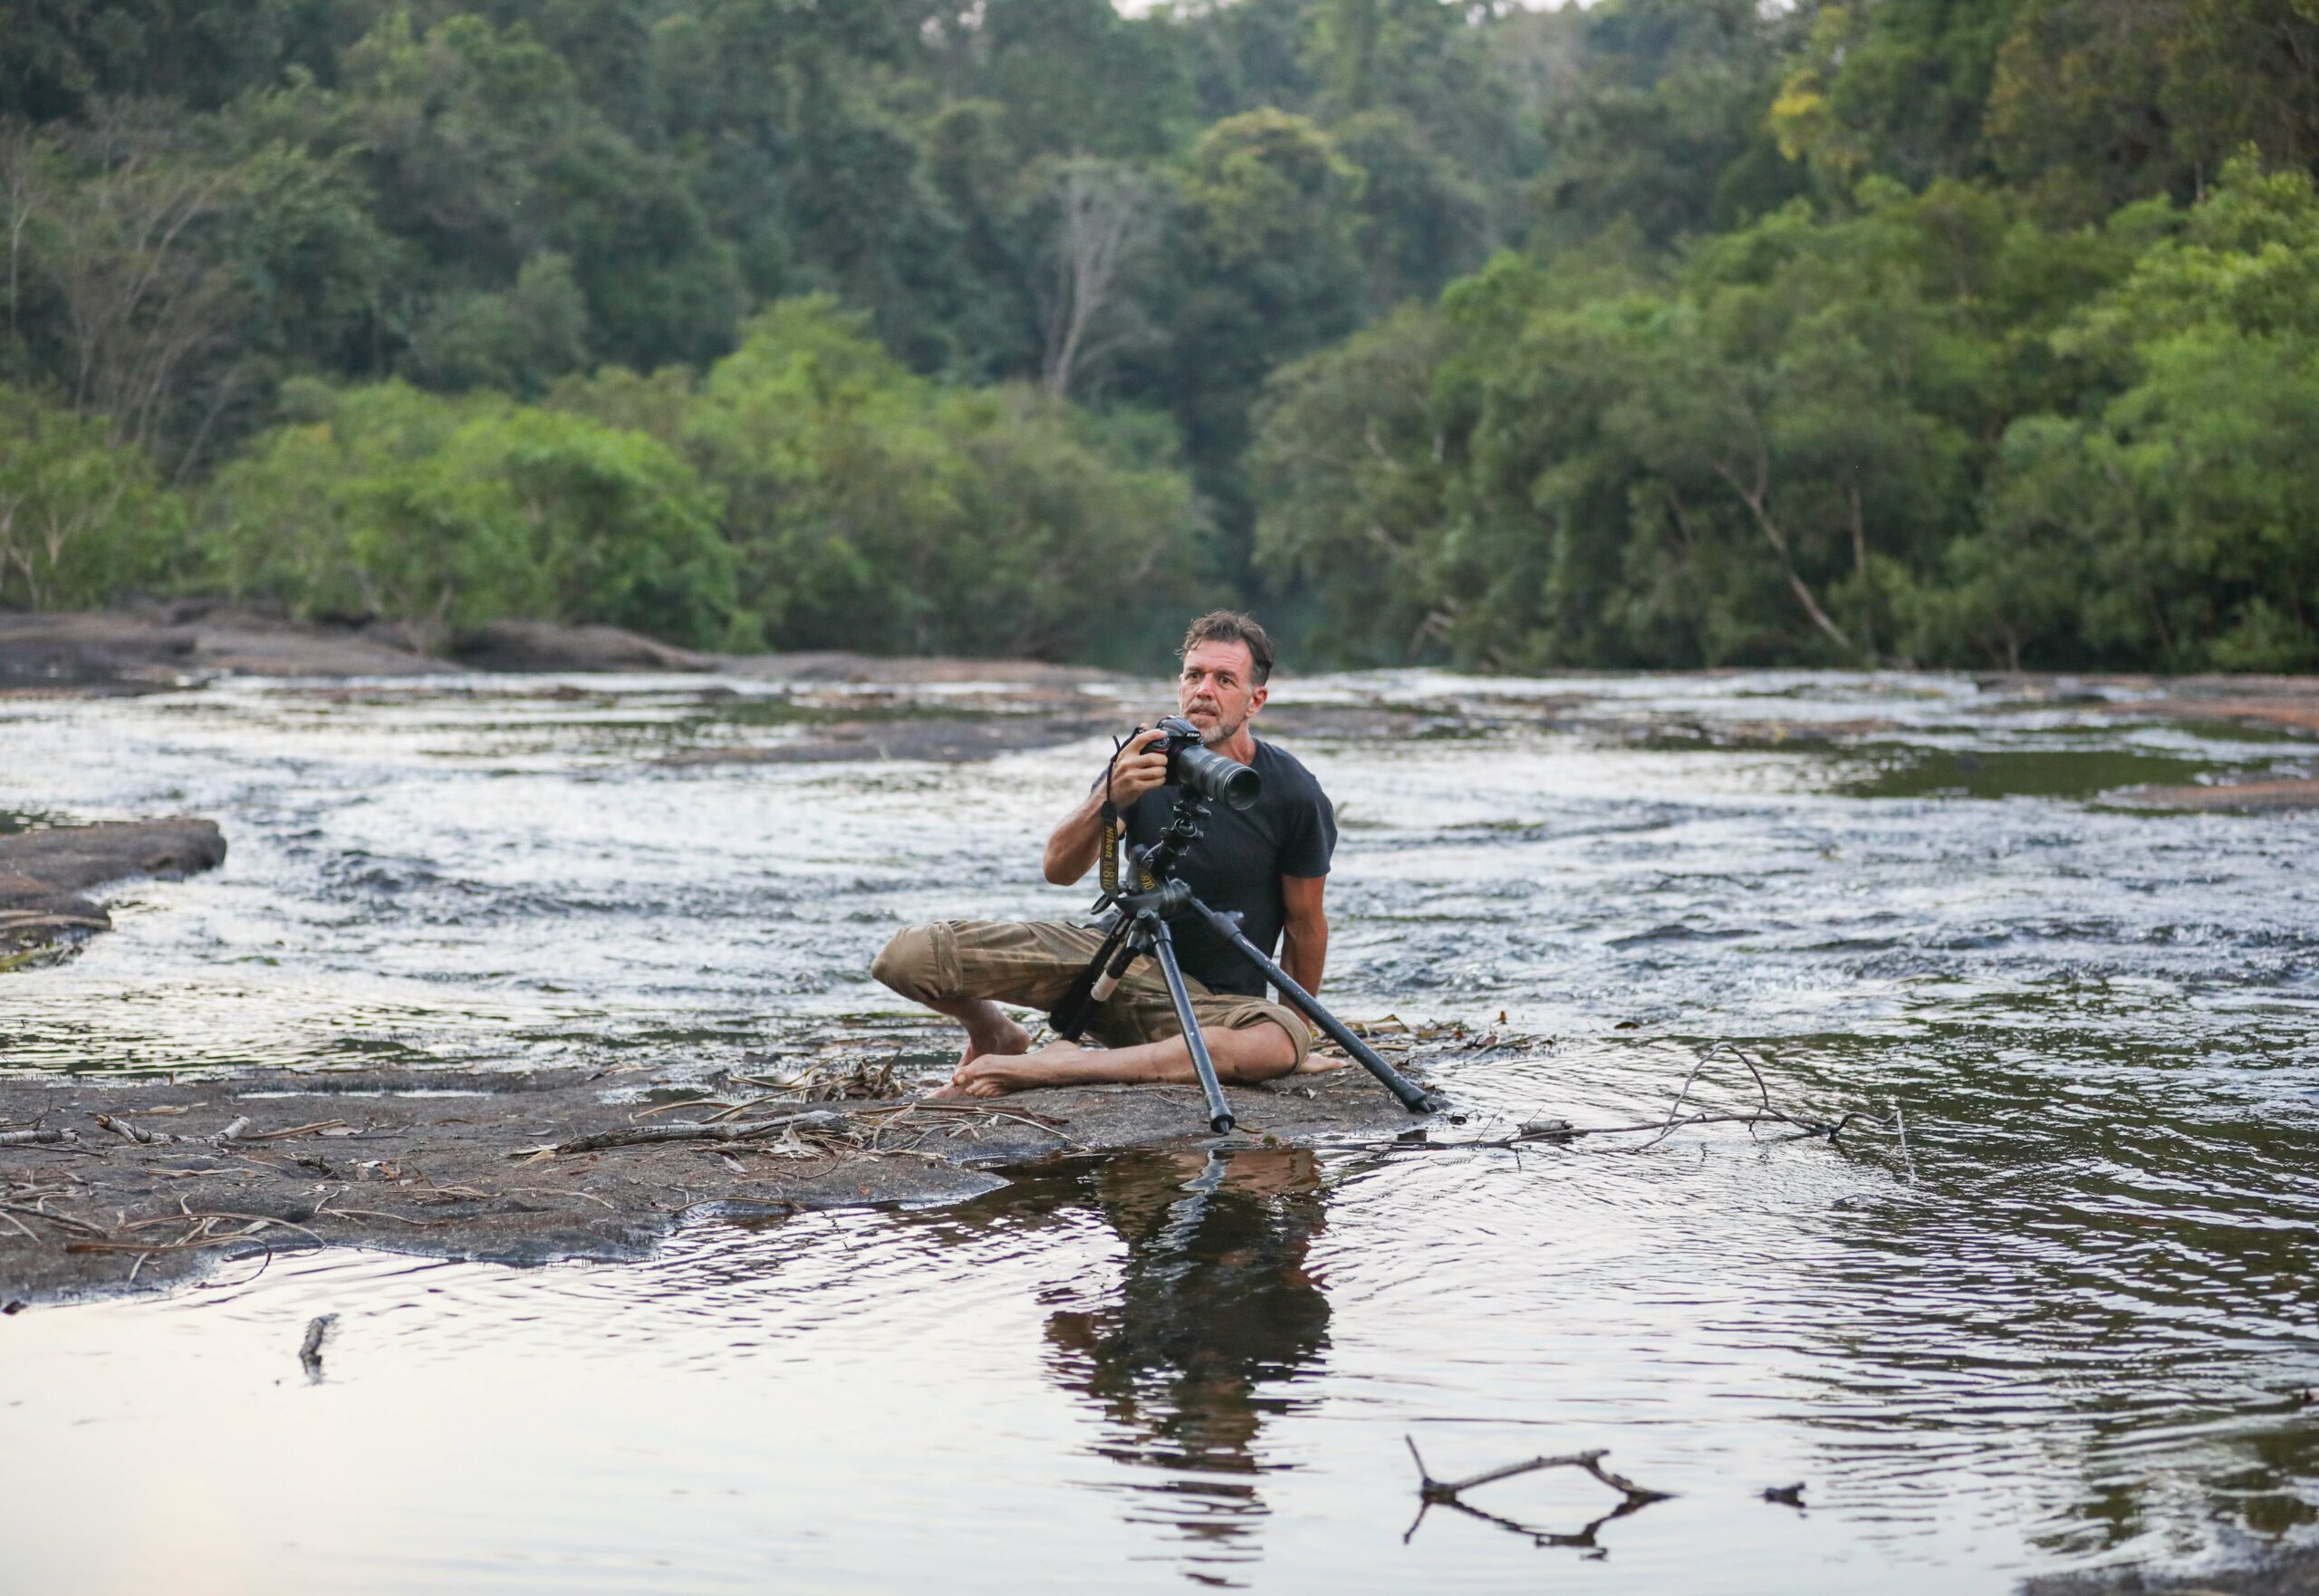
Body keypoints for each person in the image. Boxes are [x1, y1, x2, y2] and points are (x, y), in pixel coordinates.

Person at [871, 611, 1341, 1101]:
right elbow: (1060, 870)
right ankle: (999, 1035)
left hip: (1209, 1006)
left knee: (1278, 1043)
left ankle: (1064, 1066)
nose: (1205, 690)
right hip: (1109, 963)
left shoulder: (1291, 792)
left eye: (1225, 680)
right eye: (1194, 675)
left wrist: (1299, 1032)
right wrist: (1111, 794)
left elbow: (1305, 925)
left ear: (1254, 700)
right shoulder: (1144, 758)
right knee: (906, 957)